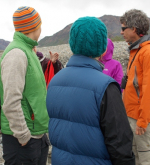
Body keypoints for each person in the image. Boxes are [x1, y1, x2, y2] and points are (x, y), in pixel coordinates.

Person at [46, 16, 135, 165]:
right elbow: (121, 145)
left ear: (72, 43)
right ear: (103, 48)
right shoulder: (106, 86)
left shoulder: (54, 81)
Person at [0, 6, 50, 165]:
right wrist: (23, 134)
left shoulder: (27, 50)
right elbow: (11, 100)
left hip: (35, 134)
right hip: (23, 139)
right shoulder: (17, 54)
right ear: (35, 26)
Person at [120, 9, 150, 165]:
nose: (121, 32)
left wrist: (143, 121)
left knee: (145, 161)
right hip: (134, 117)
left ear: (134, 29)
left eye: (124, 28)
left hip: (144, 121)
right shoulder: (137, 51)